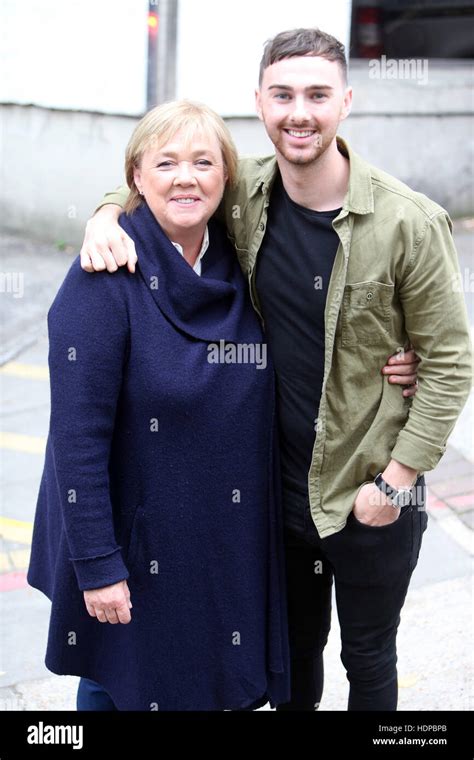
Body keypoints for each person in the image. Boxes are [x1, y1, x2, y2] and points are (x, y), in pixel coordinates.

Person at [78, 28, 472, 711]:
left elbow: (448, 364)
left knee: (371, 657)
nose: (300, 112)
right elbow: (163, 172)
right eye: (283, 94)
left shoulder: (409, 222)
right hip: (276, 497)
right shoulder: (245, 193)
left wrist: (397, 481)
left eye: (317, 94)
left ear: (345, 103)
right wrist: (106, 213)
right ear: (258, 103)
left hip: (372, 491)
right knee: (292, 662)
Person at [27, 100, 292, 711]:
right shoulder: (104, 274)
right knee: (118, 677)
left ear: (226, 177)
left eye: (203, 161)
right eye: (166, 162)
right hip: (132, 544)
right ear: (136, 178)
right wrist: (97, 565)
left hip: (221, 541)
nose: (185, 176)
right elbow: (77, 438)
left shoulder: (240, 264)